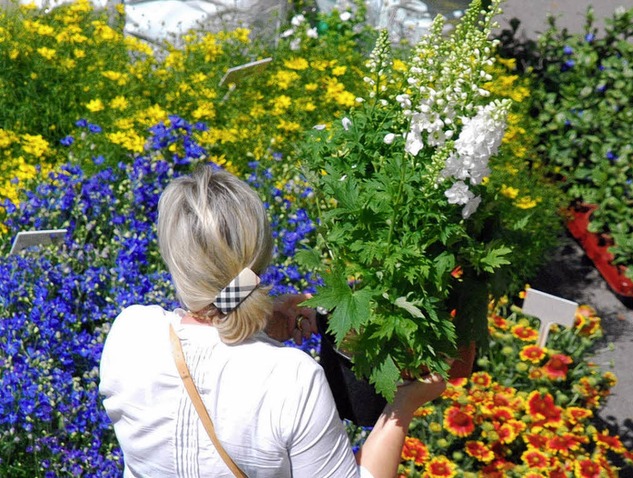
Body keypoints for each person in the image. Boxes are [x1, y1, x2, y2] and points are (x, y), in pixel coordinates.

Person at [99, 164, 445, 477]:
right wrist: (404, 404)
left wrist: (259, 320)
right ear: (263, 252)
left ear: (173, 255)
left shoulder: (130, 333)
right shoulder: (290, 377)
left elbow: (202, 339)